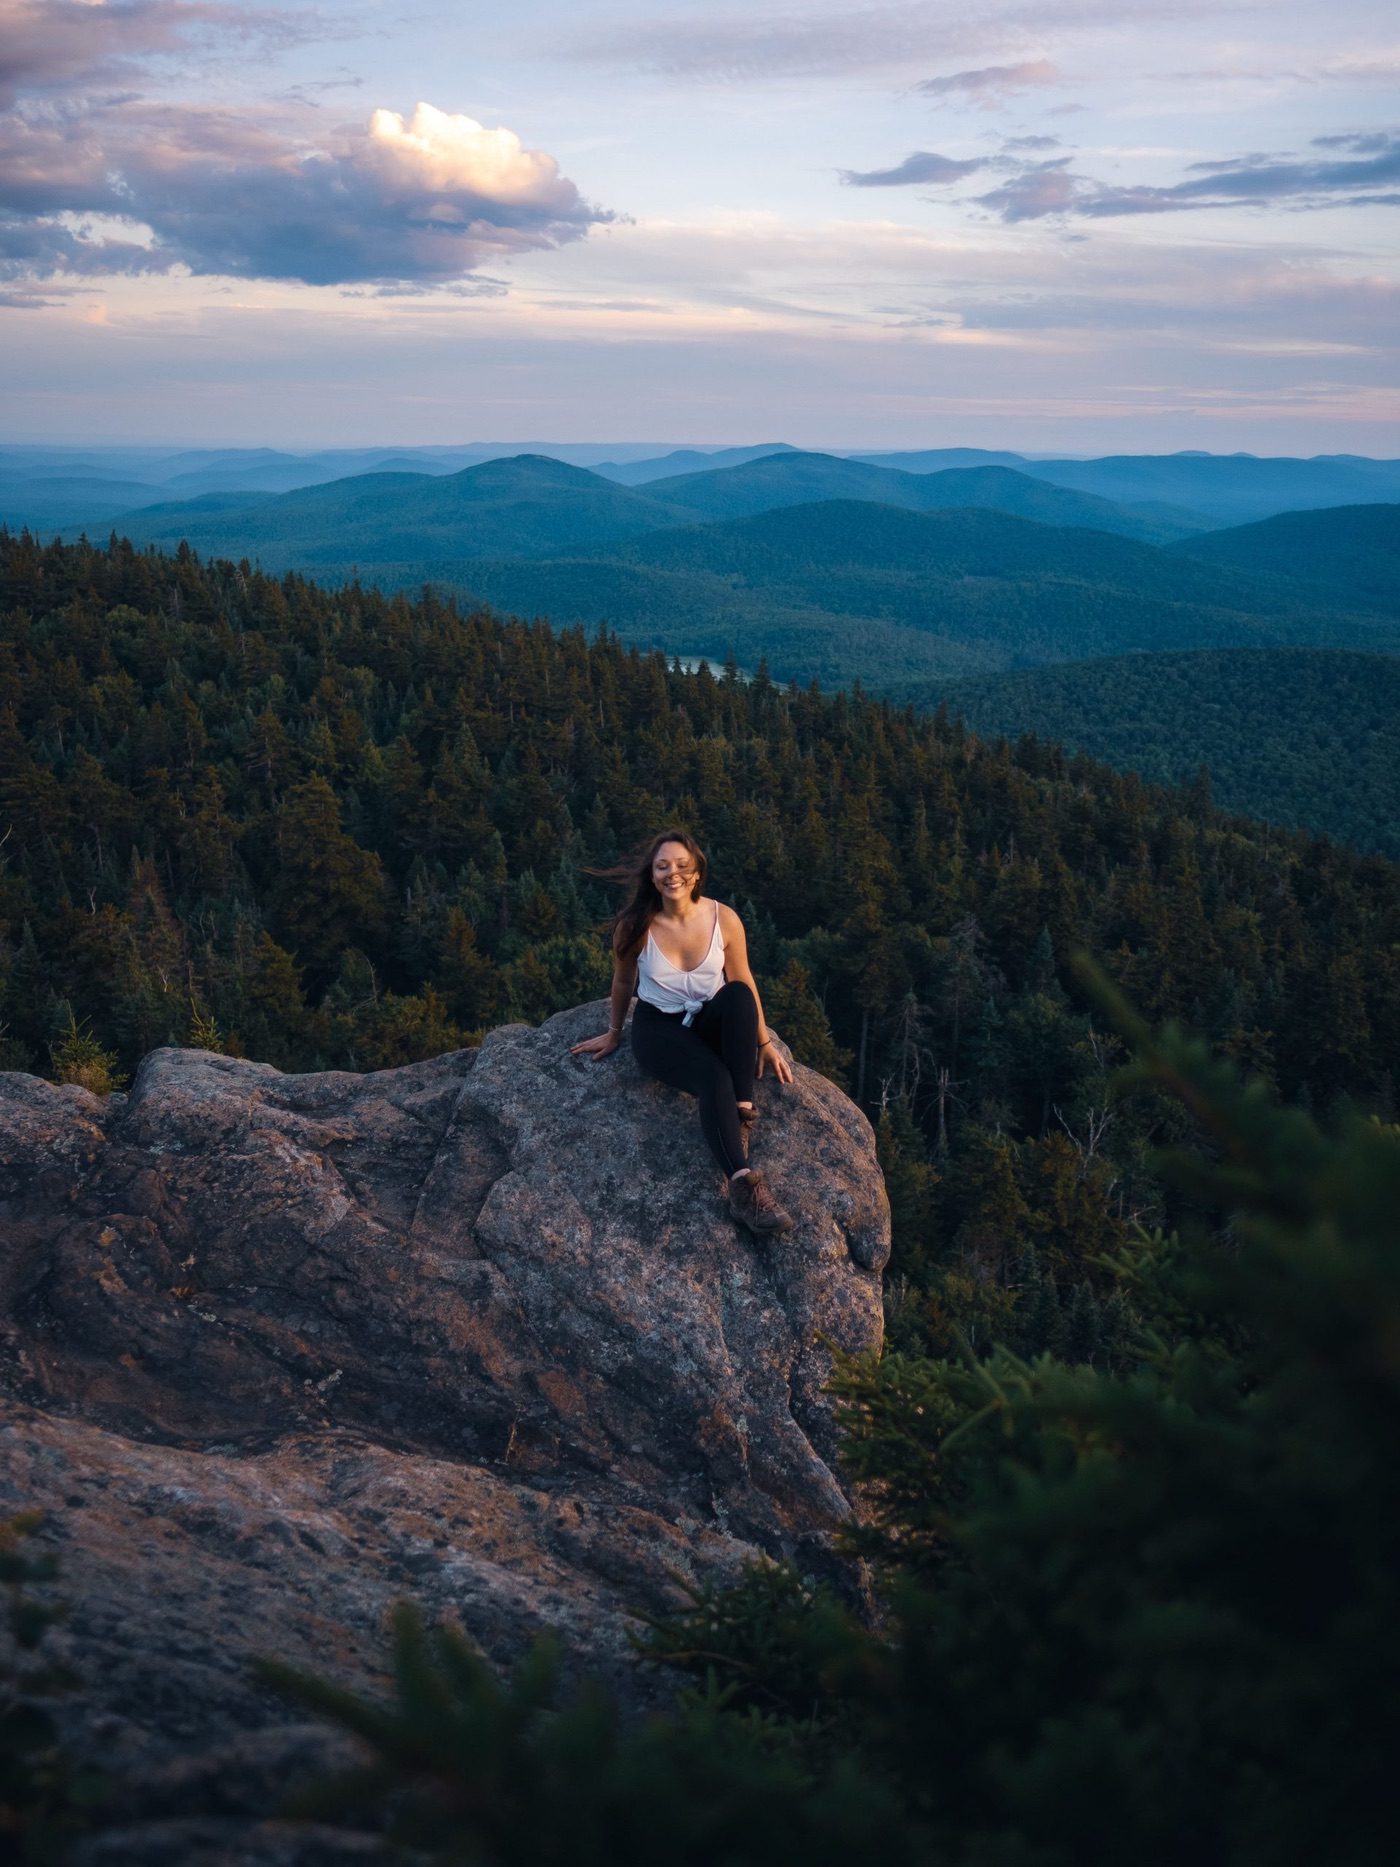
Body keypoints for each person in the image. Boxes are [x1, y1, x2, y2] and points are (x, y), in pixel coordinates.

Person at [571, 829, 796, 1237]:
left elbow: (741, 977)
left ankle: (741, 1109)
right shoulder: (635, 925)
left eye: (681, 866)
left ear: (695, 875)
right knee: (714, 1078)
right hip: (660, 1029)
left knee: (739, 995)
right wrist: (614, 1032)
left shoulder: (722, 918)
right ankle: (743, 1187)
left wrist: (763, 1042)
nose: (672, 873)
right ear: (652, 876)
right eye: (663, 866)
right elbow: (623, 983)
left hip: (708, 1018)